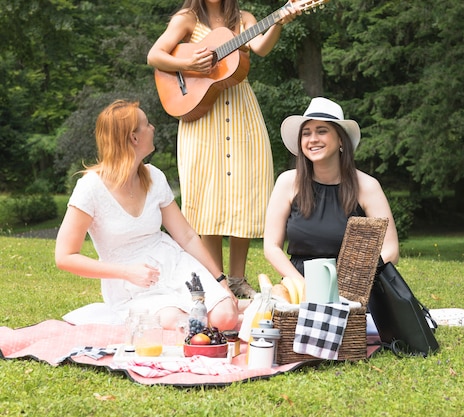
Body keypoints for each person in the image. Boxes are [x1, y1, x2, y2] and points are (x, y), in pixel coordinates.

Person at [146, 0, 301, 298]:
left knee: (244, 190)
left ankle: (237, 278)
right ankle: (215, 278)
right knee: (208, 195)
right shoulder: (187, 19)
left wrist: (280, 20)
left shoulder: (243, 18)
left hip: (241, 112)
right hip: (202, 114)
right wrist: (187, 65)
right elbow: (155, 55)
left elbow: (261, 47)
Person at [55, 100, 239, 331]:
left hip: (174, 265)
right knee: (178, 321)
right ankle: (243, 312)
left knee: (225, 317)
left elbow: (187, 236)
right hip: (130, 283)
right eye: (147, 124)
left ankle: (238, 310)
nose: (152, 128)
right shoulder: (90, 187)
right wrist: (127, 273)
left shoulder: (154, 176)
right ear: (134, 137)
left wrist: (220, 281)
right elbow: (65, 257)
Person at [263, 97, 400, 280]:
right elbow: (271, 247)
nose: (313, 139)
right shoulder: (288, 182)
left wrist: (350, 280)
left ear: (341, 140)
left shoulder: (367, 186)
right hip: (300, 287)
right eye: (306, 133)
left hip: (353, 288)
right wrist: (301, 284)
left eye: (322, 131)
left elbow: (391, 250)